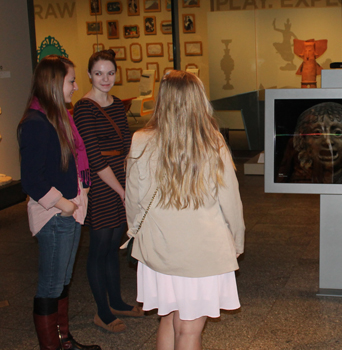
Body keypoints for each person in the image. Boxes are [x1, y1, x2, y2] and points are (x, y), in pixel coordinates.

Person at [125, 70, 245, 350]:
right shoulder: (213, 142)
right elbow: (231, 202)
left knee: (168, 319)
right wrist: (237, 242)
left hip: (159, 249)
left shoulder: (141, 140)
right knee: (189, 332)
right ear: (198, 100)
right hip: (202, 252)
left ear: (162, 100)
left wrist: (136, 232)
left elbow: (133, 199)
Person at [18, 55, 101, 350]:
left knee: (63, 281)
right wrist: (62, 204)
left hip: (71, 211)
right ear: (53, 83)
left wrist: (77, 198)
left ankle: (64, 340)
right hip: (54, 216)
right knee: (50, 286)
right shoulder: (36, 122)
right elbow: (30, 179)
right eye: (71, 81)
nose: (76, 86)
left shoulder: (59, 117)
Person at [73, 50, 142, 333]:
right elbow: (92, 155)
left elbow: (127, 144)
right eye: (99, 73)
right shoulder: (84, 107)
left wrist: (129, 183)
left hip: (121, 179)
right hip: (102, 185)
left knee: (114, 244)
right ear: (89, 75)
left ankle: (117, 301)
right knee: (99, 249)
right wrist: (121, 190)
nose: (105, 79)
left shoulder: (116, 104)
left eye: (110, 73)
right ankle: (102, 312)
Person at [277, 102, 342, 184]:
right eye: (317, 133)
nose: (328, 141)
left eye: (338, 133)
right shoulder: (297, 182)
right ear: (303, 140)